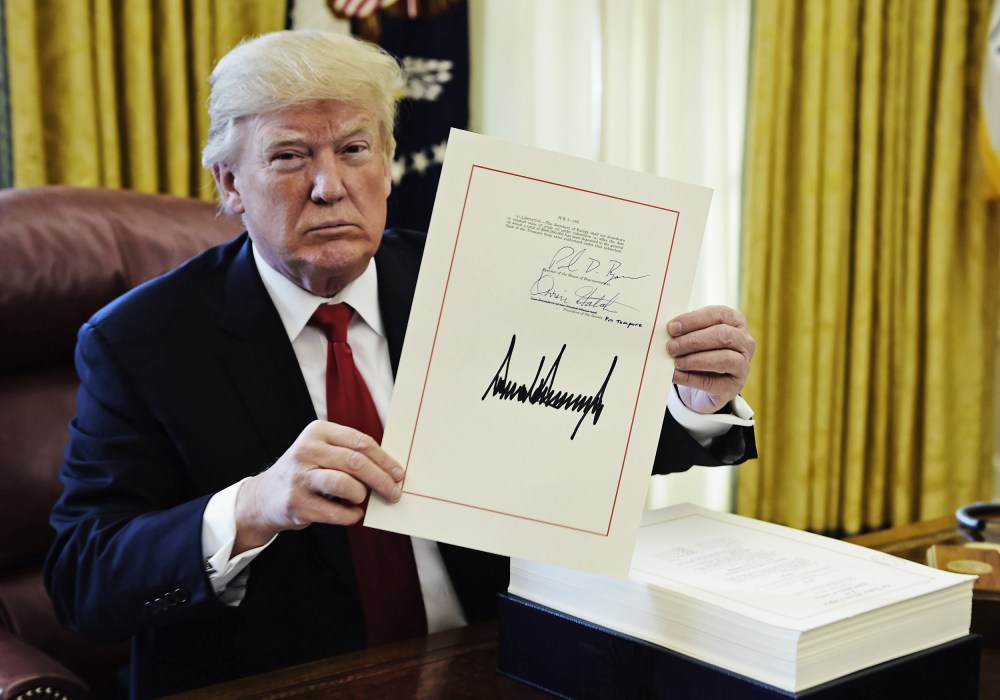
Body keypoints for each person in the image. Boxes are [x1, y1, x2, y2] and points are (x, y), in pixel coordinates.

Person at [43, 30, 757, 698]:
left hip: (494, 659)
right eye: (289, 156)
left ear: (386, 165)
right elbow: (83, 579)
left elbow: (585, 440)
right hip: (289, 681)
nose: (329, 186)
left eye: (354, 149)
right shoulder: (141, 342)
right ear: (230, 184)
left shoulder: (481, 277)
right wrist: (254, 506)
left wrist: (692, 404)